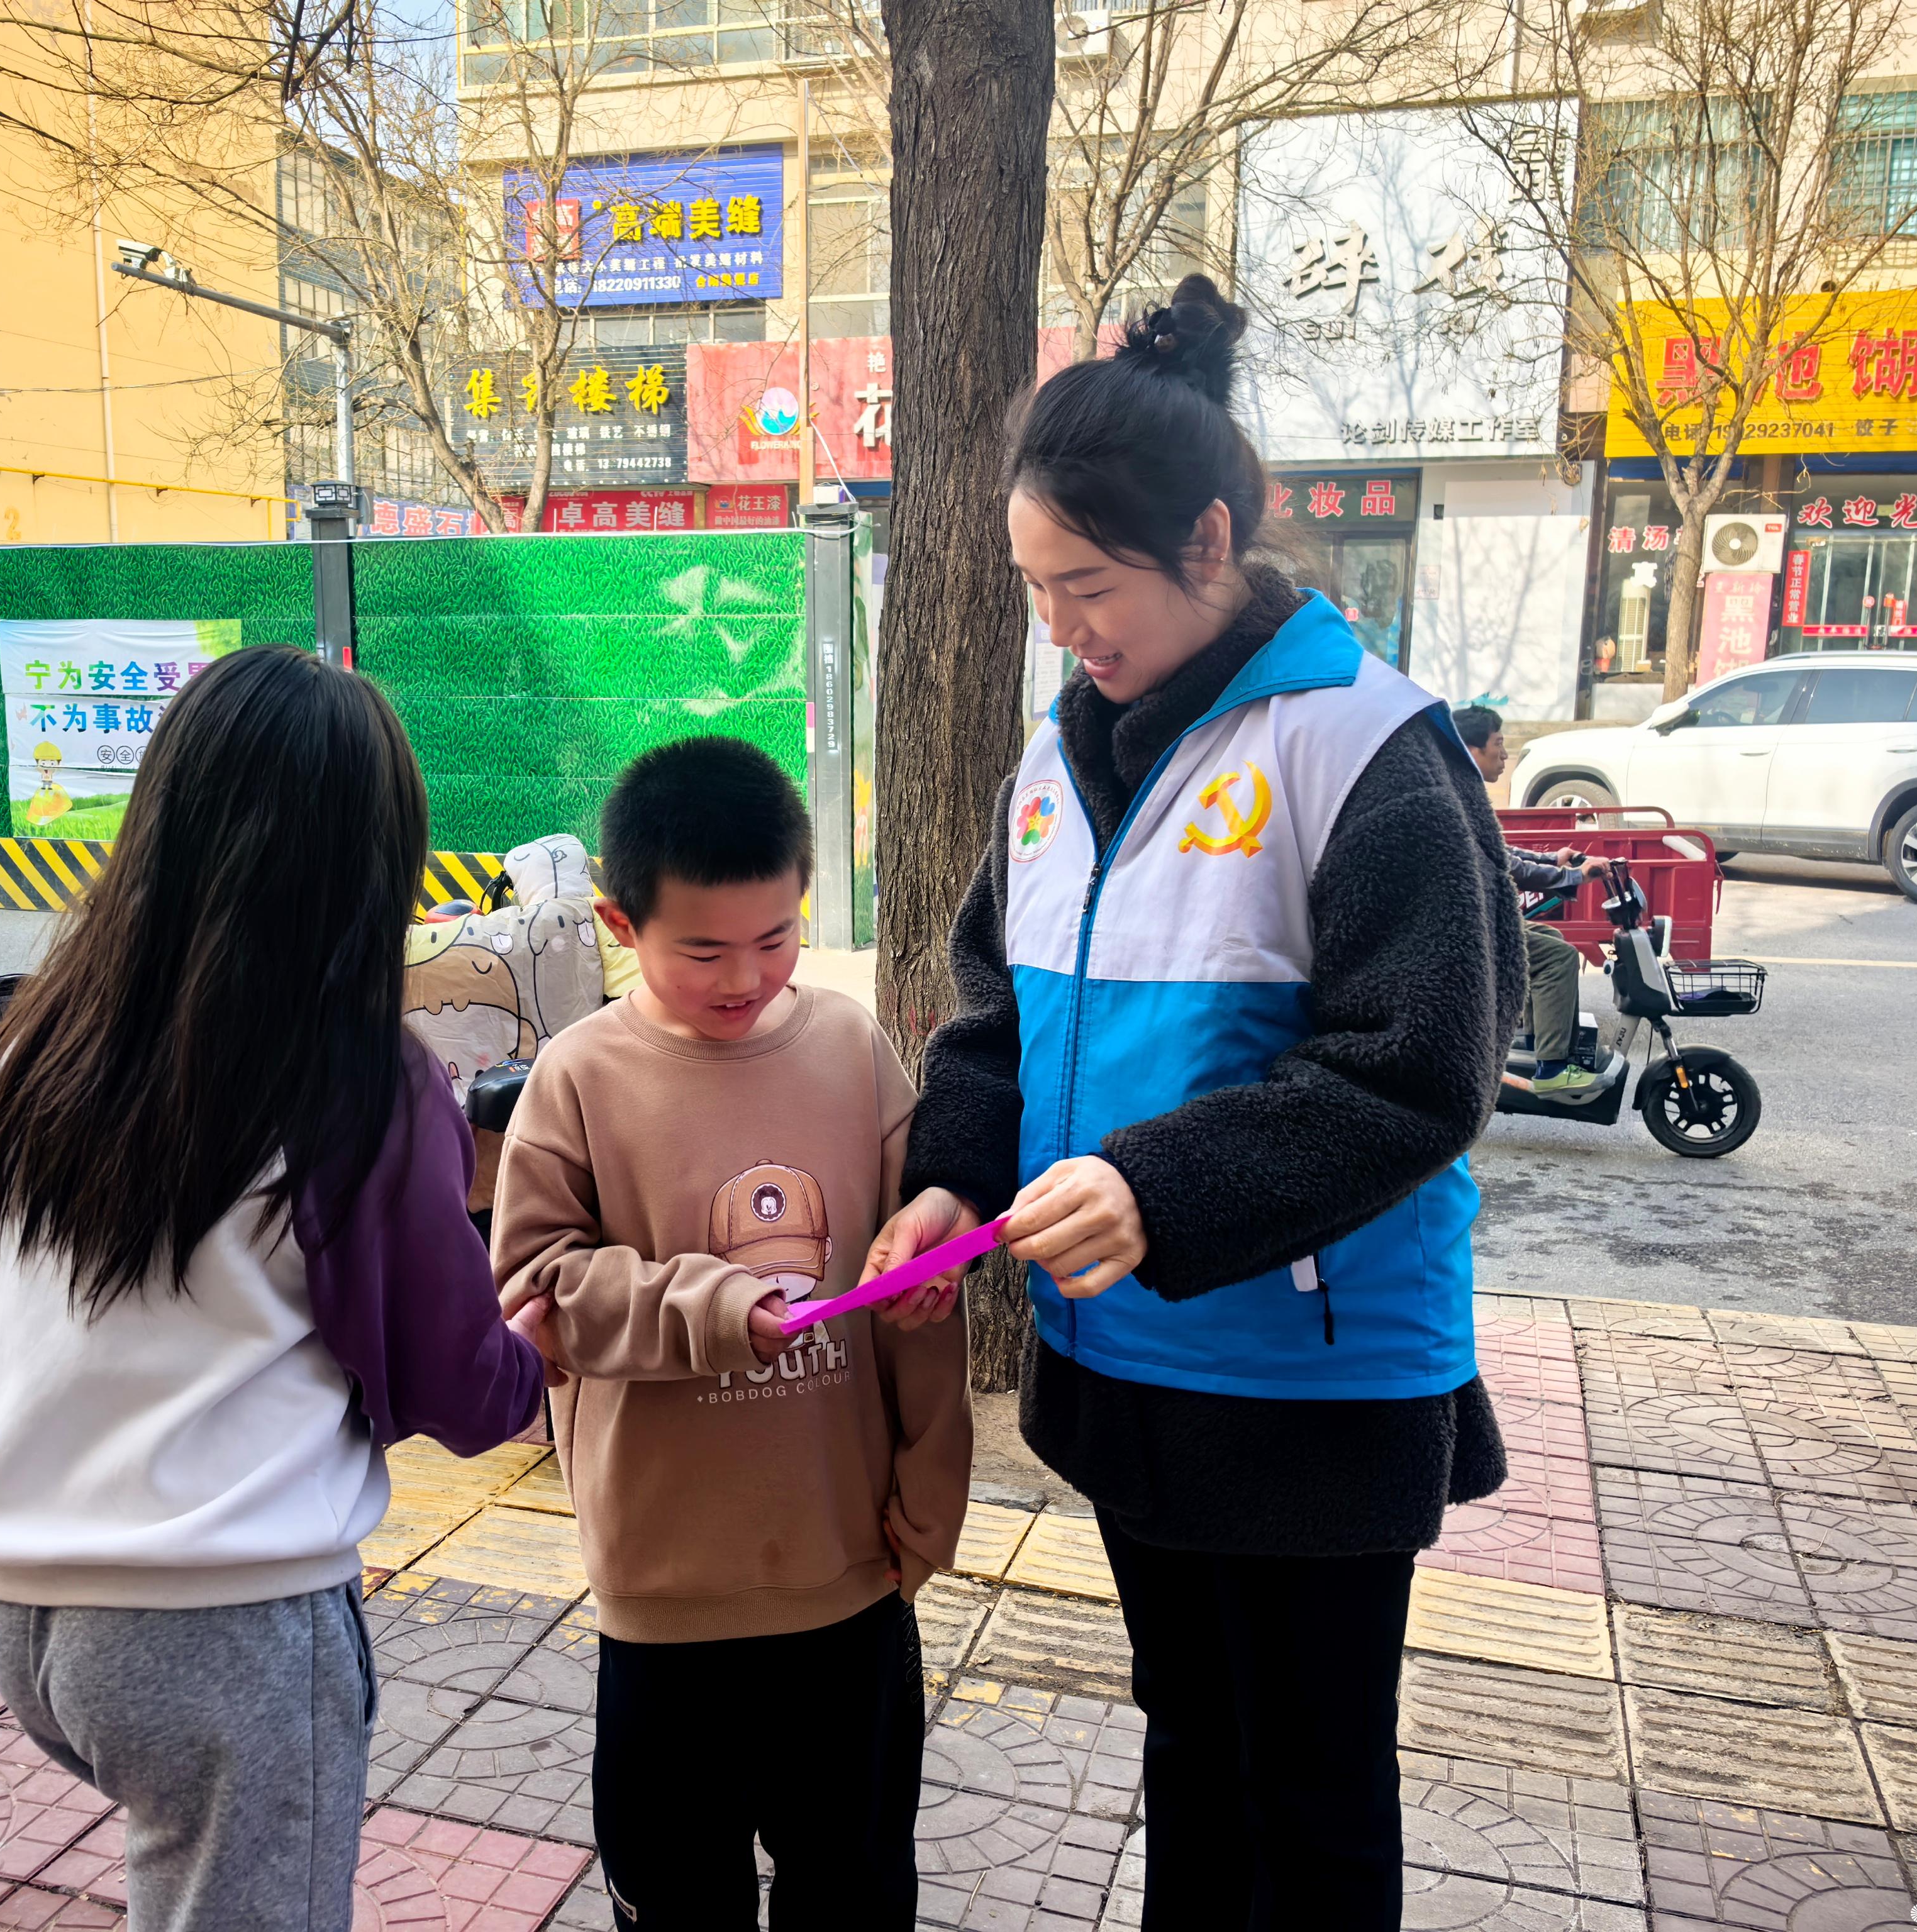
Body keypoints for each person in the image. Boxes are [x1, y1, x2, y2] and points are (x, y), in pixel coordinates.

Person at [866, 276, 1524, 1931]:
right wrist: (951, 1178)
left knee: (1307, 1788)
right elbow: (997, 1012)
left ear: (1209, 543)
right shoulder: (1054, 764)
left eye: (1088, 586)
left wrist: (1157, 1188)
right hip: (1128, 1364)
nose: (1063, 628)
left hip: (1312, 1380)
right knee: (1191, 1747)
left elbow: (1418, 1067)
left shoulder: (1363, 746)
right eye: (1037, 590)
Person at [0, 647, 547, 1932]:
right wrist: (528, 1355)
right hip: (217, 1623)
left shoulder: (33, 1053)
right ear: (370, 864)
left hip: (20, 1608)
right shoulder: (352, 1082)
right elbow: (450, 1375)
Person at [493, 736, 970, 1931]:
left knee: (854, 1893)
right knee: (677, 1898)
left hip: (850, 1584)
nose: (745, 976)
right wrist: (711, 1310)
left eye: (777, 936)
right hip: (664, 1593)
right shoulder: (579, 1078)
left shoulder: (851, 1051)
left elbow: (914, 1297)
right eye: (704, 950)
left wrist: (930, 1498)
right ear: (620, 922)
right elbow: (538, 1288)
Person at [1455, 706, 1614, 1095]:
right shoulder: (1456, 796)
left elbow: (1499, 849)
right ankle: (1552, 1069)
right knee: (1558, 958)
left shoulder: (1461, 788)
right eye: (1498, 744)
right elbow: (1505, 863)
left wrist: (1551, 859)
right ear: (1473, 750)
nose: (1505, 755)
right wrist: (1574, 876)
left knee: (1551, 939)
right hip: (1463, 924)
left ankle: (1532, 1039)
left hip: (1477, 913)